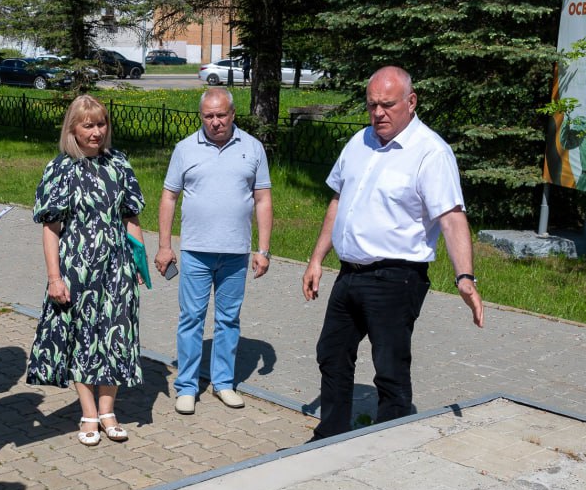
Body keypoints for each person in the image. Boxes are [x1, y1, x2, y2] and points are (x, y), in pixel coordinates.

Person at [302, 66, 484, 442]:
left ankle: (388, 446)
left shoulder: (431, 153)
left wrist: (464, 277)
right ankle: (330, 436)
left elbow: (451, 218)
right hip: (350, 273)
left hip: (397, 278)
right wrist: (317, 258)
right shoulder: (360, 142)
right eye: (372, 105)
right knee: (332, 353)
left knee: (389, 367)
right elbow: (339, 201)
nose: (378, 113)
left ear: (411, 102)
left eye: (387, 104)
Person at [26, 95, 147, 446]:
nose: (96, 132)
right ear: (73, 129)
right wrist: (54, 278)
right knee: (82, 336)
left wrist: (139, 263)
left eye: (101, 124)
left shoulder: (119, 163)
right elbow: (50, 229)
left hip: (117, 266)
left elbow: (131, 216)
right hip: (76, 268)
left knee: (117, 333)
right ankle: (88, 411)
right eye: (88, 125)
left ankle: (109, 410)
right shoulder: (60, 168)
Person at [154, 87, 272, 414]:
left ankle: (223, 383)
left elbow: (263, 199)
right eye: (209, 116)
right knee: (191, 318)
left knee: (228, 319)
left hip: (236, 253)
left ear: (233, 114)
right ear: (201, 116)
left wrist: (263, 249)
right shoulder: (185, 149)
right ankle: (187, 386)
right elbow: (169, 197)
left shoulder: (252, 148)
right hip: (195, 251)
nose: (216, 122)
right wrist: (164, 246)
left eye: (222, 115)